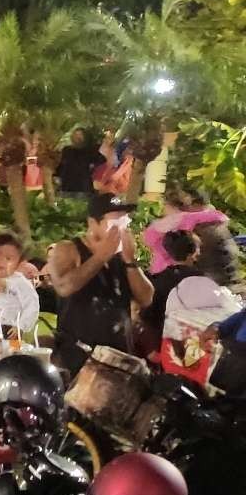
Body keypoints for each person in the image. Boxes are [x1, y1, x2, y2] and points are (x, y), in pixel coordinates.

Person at [48, 194, 153, 373]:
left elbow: (146, 298)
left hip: (118, 359)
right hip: (78, 357)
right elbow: (64, 287)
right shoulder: (68, 249)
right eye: (115, 222)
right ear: (92, 223)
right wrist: (101, 256)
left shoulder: (121, 257)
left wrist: (130, 261)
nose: (121, 227)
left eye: (124, 221)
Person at [56, 128, 103, 196]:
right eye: (75, 135)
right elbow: (62, 165)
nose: (77, 137)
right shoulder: (67, 150)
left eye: (80, 135)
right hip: (67, 185)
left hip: (83, 187)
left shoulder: (92, 151)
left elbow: (98, 164)